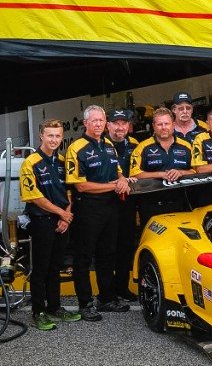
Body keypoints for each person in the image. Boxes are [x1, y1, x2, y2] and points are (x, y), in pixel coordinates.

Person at [64, 105, 131, 321]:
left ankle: (106, 298)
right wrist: (114, 186)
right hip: (88, 208)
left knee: (107, 254)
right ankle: (85, 304)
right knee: (84, 257)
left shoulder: (109, 144)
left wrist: (121, 180)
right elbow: (80, 186)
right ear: (85, 124)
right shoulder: (76, 148)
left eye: (101, 121)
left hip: (110, 207)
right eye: (94, 121)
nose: (99, 124)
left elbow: (119, 172)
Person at [20, 119, 80, 330]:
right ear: (41, 136)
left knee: (56, 267)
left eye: (57, 136)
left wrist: (67, 216)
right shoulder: (30, 162)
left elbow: (70, 191)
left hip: (62, 221)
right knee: (41, 268)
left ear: (61, 138)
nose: (54, 139)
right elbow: (33, 197)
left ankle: (55, 307)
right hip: (42, 221)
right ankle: (39, 312)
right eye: (50, 135)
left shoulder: (64, 161)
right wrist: (61, 213)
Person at [130, 107, 196, 228]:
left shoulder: (186, 146)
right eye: (160, 124)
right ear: (154, 126)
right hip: (151, 206)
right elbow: (134, 174)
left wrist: (181, 173)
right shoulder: (142, 147)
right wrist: (160, 174)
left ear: (173, 124)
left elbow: (197, 171)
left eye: (167, 123)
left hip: (180, 204)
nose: (163, 127)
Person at [102, 109, 140, 301]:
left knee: (125, 246)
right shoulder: (100, 144)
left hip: (127, 204)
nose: (120, 127)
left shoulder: (135, 144)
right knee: (108, 247)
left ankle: (122, 288)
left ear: (128, 125)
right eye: (115, 123)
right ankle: (107, 292)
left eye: (123, 123)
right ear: (108, 125)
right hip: (105, 201)